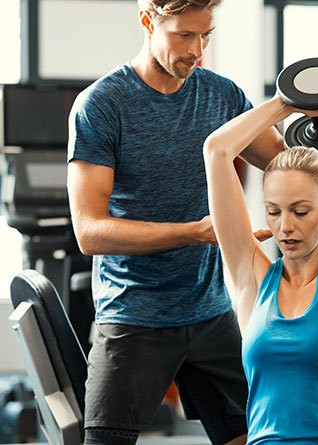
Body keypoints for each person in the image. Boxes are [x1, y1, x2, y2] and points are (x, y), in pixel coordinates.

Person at [66, 0, 284, 443]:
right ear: (147, 22)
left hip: (211, 310)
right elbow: (89, 232)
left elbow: (287, 163)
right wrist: (198, 232)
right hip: (134, 315)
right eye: (184, 35)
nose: (197, 50)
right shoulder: (101, 105)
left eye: (206, 35)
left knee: (263, 435)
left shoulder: (222, 96)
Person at [203, 56, 318, 444]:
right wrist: (288, 98)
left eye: (301, 211)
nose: (285, 227)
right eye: (273, 212)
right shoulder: (250, 280)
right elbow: (217, 150)